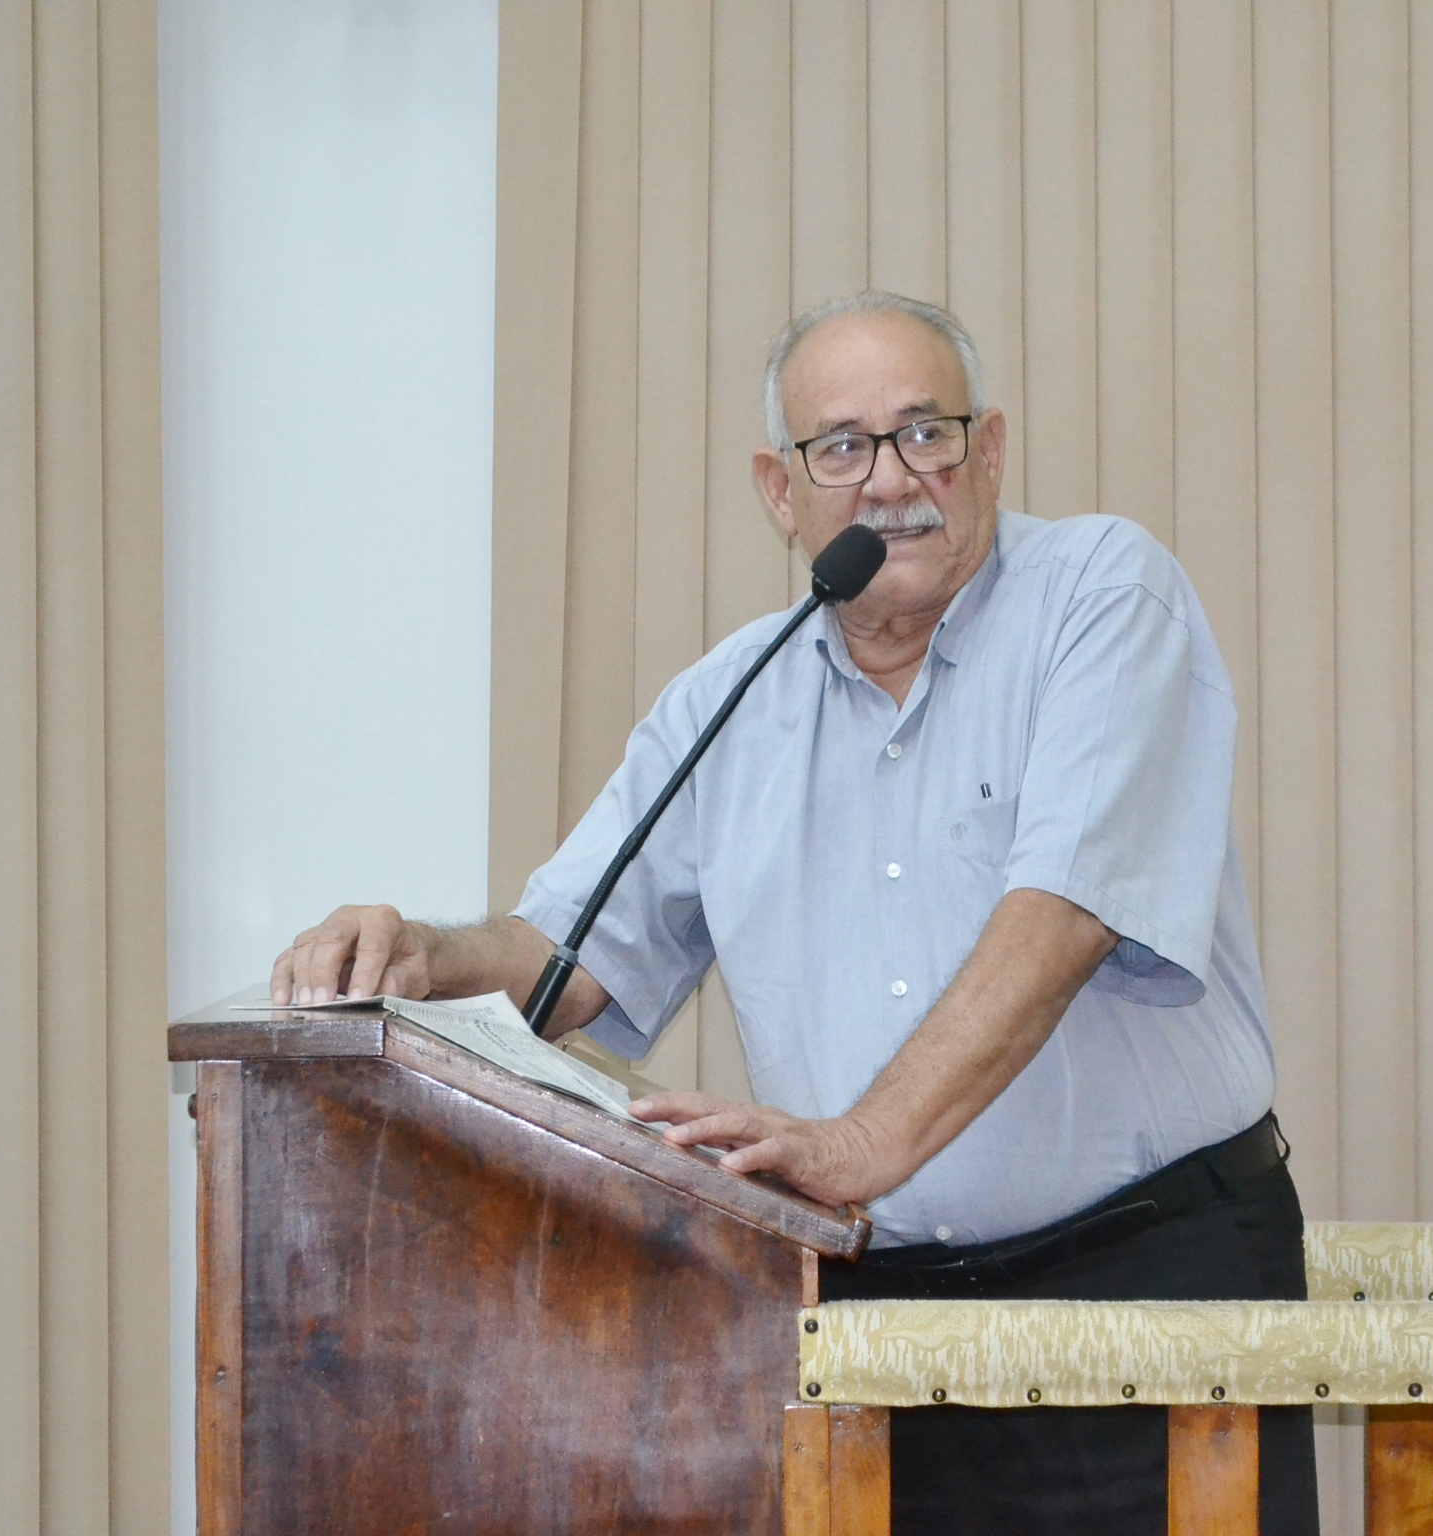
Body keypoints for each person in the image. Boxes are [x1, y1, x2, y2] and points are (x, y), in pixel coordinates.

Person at [272, 291, 1317, 1536]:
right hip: (868, 1324)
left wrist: (861, 1143)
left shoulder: (1103, 593)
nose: (892, 480)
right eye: (843, 447)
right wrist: (422, 956)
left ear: (989, 450)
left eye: (926, 432)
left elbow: (1067, 912)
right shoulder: (729, 702)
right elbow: (566, 959)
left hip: (1147, 1287)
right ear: (781, 490)